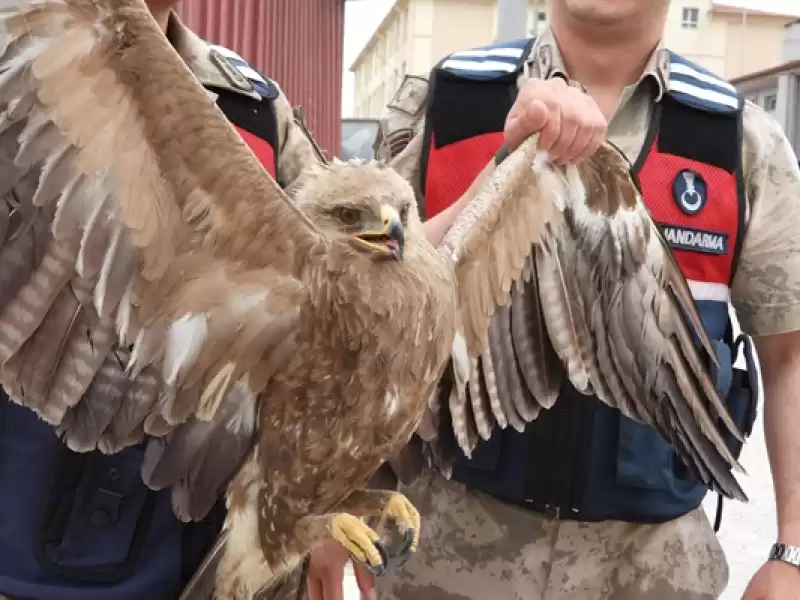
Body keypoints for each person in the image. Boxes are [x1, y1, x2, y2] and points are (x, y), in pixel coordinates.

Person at [302, 1, 800, 599]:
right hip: (446, 563)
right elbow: (351, 326)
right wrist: (331, 502)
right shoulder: (448, 106)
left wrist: (792, 549)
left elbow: (790, 357)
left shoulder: (739, 144)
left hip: (651, 574)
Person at [0, 3, 325, 599]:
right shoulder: (20, 38)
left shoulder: (255, 107)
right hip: (24, 552)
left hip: (189, 559)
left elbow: (344, 298)